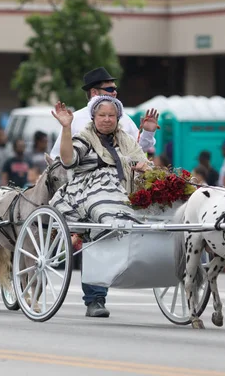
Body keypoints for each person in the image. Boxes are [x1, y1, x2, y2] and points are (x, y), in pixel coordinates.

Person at [50, 95, 152, 318]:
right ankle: (95, 299)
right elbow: (68, 160)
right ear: (94, 117)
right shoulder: (84, 138)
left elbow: (141, 160)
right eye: (102, 115)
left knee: (158, 208)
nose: (107, 119)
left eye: (111, 115)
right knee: (103, 220)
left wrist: (144, 168)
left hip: (125, 189)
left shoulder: (125, 140)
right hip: (89, 189)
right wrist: (66, 128)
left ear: (118, 118)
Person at [49, 67, 158, 159]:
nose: (115, 92)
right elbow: (58, 158)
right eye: (110, 89)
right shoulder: (74, 119)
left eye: (115, 89)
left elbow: (137, 151)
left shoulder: (124, 118)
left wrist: (148, 132)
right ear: (94, 92)